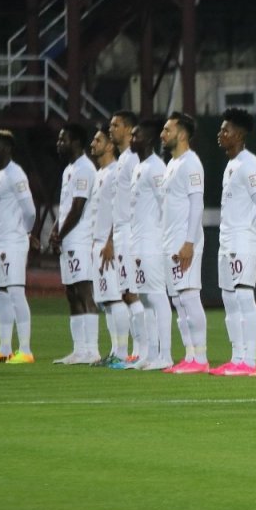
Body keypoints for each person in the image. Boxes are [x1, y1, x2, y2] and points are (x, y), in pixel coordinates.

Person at [211, 108, 256, 376]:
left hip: (243, 239)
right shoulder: (232, 164)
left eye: (226, 130)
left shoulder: (249, 164)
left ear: (240, 135)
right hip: (227, 240)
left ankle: (249, 360)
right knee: (229, 299)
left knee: (243, 296)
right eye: (221, 130)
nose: (221, 134)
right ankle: (236, 357)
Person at [0, 130, 36, 363]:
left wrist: (27, 233)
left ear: (8, 149)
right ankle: (4, 349)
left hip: (13, 241)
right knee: (1, 295)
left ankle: (26, 350)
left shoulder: (16, 174)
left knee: (15, 292)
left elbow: (29, 210)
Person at [159, 112, 209, 373]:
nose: (162, 134)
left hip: (184, 241)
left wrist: (189, 242)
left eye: (167, 130)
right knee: (178, 300)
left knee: (189, 297)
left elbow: (196, 203)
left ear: (181, 134)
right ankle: (189, 355)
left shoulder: (191, 163)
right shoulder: (172, 164)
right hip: (170, 241)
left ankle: (200, 358)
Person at [48, 122, 99, 364]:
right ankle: (79, 350)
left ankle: (93, 349)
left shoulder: (85, 169)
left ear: (76, 142)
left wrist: (61, 233)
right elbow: (66, 206)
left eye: (63, 140)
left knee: (84, 291)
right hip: (68, 239)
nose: (59, 144)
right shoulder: (69, 169)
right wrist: (56, 230)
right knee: (71, 292)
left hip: (80, 238)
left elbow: (78, 208)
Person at [129, 118, 173, 370]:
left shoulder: (157, 167)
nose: (132, 140)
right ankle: (151, 353)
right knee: (145, 298)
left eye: (136, 135)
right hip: (138, 242)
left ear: (147, 139)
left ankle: (165, 354)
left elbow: (163, 205)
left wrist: (162, 239)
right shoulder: (140, 166)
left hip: (152, 242)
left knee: (156, 296)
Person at [86, 123, 130, 367]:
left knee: (115, 298)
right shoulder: (100, 173)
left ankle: (122, 353)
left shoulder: (115, 172)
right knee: (105, 301)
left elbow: (119, 209)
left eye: (98, 140)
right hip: (98, 244)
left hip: (109, 244)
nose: (93, 144)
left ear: (110, 145)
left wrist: (111, 241)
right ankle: (115, 350)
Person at [106, 110, 143, 364]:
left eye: (116, 125)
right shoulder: (122, 160)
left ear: (129, 130)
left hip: (131, 232)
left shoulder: (133, 160)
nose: (111, 129)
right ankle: (136, 351)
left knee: (133, 293)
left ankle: (142, 350)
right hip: (120, 233)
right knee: (125, 294)